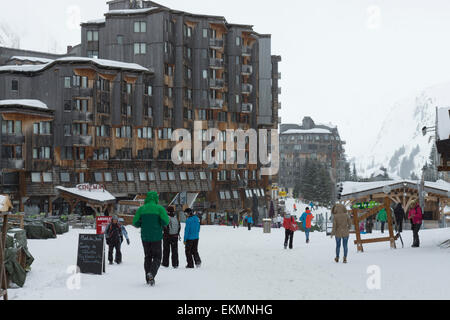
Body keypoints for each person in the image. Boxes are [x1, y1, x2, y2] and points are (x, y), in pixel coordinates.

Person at [133, 191, 169, 287]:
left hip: (145, 237)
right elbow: (166, 221)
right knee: (157, 257)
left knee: (148, 256)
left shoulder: (141, 209)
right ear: (156, 198)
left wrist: (142, 223)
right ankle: (152, 274)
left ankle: (148, 278)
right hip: (156, 237)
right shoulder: (160, 208)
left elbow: (135, 223)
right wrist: (159, 223)